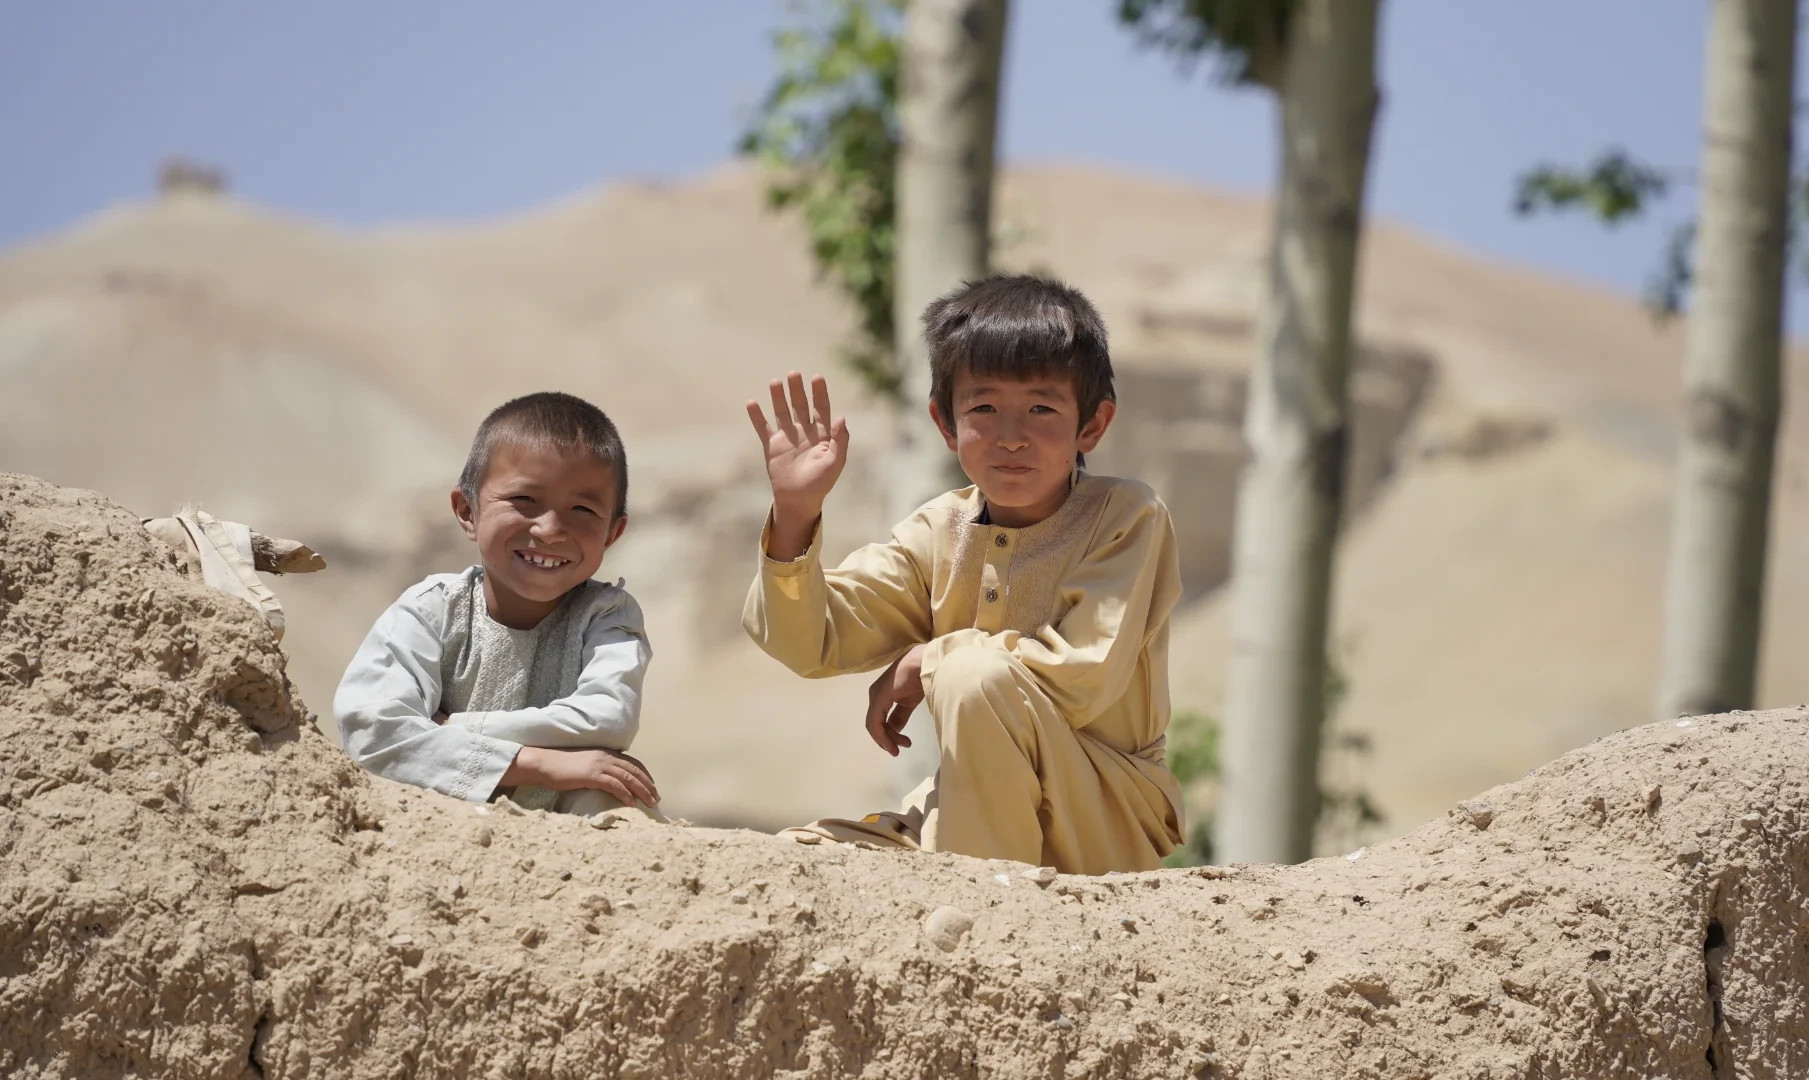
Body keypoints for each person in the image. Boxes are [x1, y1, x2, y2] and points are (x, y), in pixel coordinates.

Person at [743, 274, 1184, 873]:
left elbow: (1082, 675)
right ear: (945, 424)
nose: (1010, 437)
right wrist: (796, 514)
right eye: (983, 407)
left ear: (1092, 425)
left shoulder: (1128, 516)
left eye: (1040, 408)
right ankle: (974, 879)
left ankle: (996, 923)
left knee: (972, 673)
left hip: (1099, 812)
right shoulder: (940, 530)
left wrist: (926, 659)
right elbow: (811, 640)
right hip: (966, 810)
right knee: (799, 861)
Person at [335, 392, 660, 817]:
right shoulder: (434, 610)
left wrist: (459, 727)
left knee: (613, 790)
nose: (549, 529)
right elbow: (372, 733)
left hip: (564, 841)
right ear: (467, 510)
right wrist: (541, 765)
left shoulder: (607, 616)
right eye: (524, 501)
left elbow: (609, 716)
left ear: (613, 534)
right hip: (431, 828)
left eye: (582, 509)